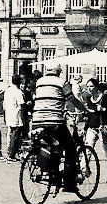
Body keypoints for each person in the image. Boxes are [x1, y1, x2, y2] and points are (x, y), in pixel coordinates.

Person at [31, 63, 80, 193]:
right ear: (58, 71)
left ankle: (52, 172)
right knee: (70, 147)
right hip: (54, 122)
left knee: (52, 146)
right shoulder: (62, 82)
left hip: (36, 121)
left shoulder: (39, 82)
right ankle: (69, 183)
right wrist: (84, 109)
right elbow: (71, 99)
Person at [82, 77, 107, 182]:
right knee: (87, 150)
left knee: (106, 152)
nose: (89, 88)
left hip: (103, 128)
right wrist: (85, 128)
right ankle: (83, 172)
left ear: (96, 87)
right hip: (92, 128)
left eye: (91, 86)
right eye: (87, 86)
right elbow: (89, 115)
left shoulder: (104, 98)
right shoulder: (89, 99)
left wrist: (104, 109)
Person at [3, 74, 26, 163]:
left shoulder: (7, 91)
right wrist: (23, 119)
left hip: (8, 115)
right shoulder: (18, 92)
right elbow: (21, 105)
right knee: (15, 135)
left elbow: (4, 105)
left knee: (11, 134)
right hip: (16, 116)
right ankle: (11, 154)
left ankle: (12, 152)